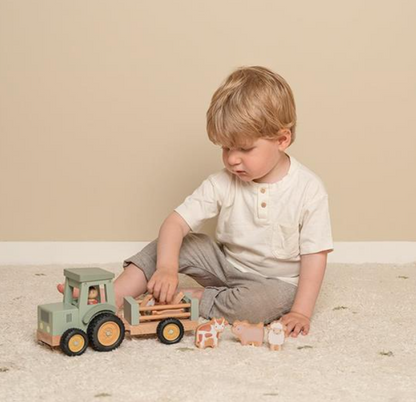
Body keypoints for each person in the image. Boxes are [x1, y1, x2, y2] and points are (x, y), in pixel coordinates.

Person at [60, 66, 333, 338]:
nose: (232, 159)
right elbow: (175, 223)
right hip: (225, 264)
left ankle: (192, 298)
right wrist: (167, 267)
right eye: (226, 148)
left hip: (274, 283)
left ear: (282, 139)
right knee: (178, 244)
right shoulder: (223, 182)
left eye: (245, 149)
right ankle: (113, 296)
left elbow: (314, 256)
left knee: (262, 305)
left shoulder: (308, 190)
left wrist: (301, 311)